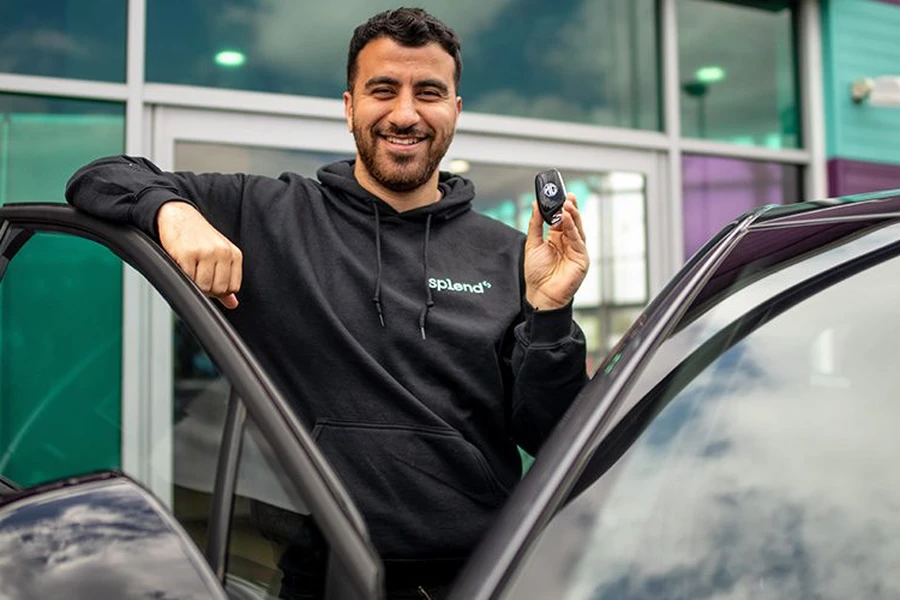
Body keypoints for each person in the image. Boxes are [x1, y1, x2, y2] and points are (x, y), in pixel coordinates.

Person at [66, 7, 589, 598]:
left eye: (429, 93)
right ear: (349, 107)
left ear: (456, 111)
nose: (406, 113)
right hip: (322, 573)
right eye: (383, 90)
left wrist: (549, 311)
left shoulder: (508, 253)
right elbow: (100, 176)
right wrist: (173, 212)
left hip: (480, 575)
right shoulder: (269, 215)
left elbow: (550, 433)